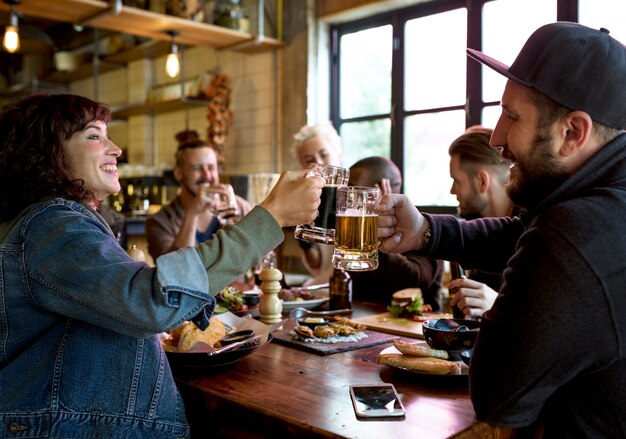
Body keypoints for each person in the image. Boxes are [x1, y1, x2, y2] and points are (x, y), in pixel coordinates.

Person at [0, 93, 323, 438]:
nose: (116, 149)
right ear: (48, 153)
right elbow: (151, 301)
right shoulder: (53, 225)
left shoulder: (54, 222)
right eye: (94, 135)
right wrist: (270, 217)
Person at [377, 22, 626, 437]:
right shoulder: (601, 199)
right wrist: (425, 232)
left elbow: (496, 396)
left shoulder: (578, 233)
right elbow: (521, 232)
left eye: (512, 116)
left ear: (572, 133)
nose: (497, 137)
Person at [348, 156, 444, 310]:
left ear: (379, 189)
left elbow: (413, 282)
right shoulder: (356, 229)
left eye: (352, 188)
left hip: (416, 329)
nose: (346, 196)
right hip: (368, 325)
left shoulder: (422, 228)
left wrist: (380, 236)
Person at [447, 126, 519, 316]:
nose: (452, 191)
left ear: (482, 181)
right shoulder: (475, 234)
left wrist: (498, 305)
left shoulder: (530, 230)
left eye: (456, 181)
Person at [145, 138, 252, 261]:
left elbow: (264, 259)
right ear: (178, 173)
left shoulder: (240, 207)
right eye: (197, 168)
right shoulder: (159, 222)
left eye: (211, 167)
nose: (206, 175)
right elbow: (175, 270)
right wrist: (192, 214)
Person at [291, 122, 343, 286]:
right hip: (323, 287)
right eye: (309, 160)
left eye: (324, 154)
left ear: (338, 153)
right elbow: (316, 264)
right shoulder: (308, 204)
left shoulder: (357, 199)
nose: (319, 164)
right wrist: (305, 241)